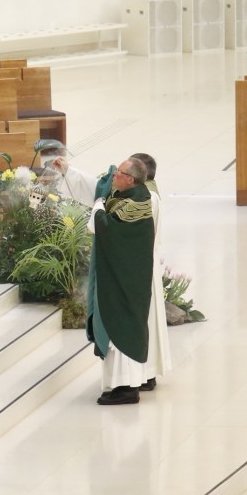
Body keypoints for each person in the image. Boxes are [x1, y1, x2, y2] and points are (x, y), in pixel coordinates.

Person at [86, 158, 154, 405]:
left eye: (119, 173)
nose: (114, 175)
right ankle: (118, 384)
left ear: (130, 179)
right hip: (123, 274)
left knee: (121, 330)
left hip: (126, 280)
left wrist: (98, 206)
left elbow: (106, 228)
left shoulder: (135, 205)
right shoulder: (129, 196)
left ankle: (126, 387)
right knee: (117, 329)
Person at [129, 152, 172, 389]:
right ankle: (147, 372)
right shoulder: (146, 192)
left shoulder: (145, 199)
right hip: (145, 267)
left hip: (140, 268)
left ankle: (145, 373)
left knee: (145, 323)